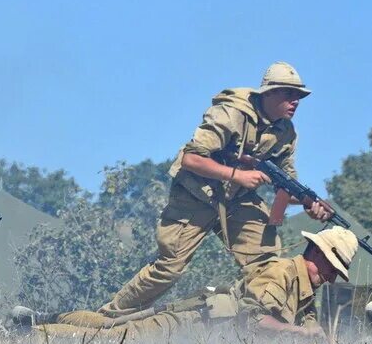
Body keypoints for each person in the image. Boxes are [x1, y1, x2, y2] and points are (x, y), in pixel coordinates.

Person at [76, 62, 331, 325]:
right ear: (267, 93)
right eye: (288, 94)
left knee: (266, 263)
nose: (296, 101)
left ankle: (262, 325)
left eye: (299, 96)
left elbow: (286, 185)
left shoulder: (286, 132)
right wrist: (238, 175)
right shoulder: (231, 113)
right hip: (196, 195)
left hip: (238, 199)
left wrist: (307, 203)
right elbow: (191, 159)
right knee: (169, 267)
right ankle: (105, 320)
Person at [23, 227, 358, 342]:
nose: (332, 276)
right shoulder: (282, 274)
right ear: (315, 250)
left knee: (110, 326)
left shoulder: (306, 293)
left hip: (198, 322)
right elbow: (255, 322)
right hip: (192, 322)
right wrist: (300, 334)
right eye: (332, 266)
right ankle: (31, 331)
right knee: (113, 339)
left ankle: (47, 316)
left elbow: (308, 333)